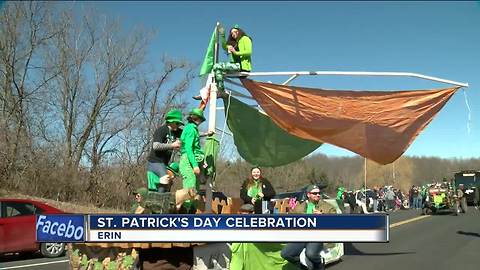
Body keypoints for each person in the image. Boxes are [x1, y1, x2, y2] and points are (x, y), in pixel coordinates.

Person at [281, 185, 336, 270]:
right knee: (286, 254)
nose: (317, 195)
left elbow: (336, 221)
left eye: (319, 193)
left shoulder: (328, 207)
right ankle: (303, 267)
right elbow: (290, 219)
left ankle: (319, 265)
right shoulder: (299, 207)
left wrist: (323, 216)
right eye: (314, 193)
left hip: (318, 236)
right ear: (308, 195)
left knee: (311, 254)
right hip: (302, 236)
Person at [147, 109, 183, 193]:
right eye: (177, 123)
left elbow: (189, 133)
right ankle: (158, 201)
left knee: (169, 182)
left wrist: (205, 134)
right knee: (165, 178)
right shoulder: (162, 130)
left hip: (164, 163)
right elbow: (156, 146)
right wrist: (172, 145)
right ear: (171, 121)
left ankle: (163, 200)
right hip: (155, 162)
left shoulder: (176, 132)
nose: (178, 126)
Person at [179, 108, 207, 192]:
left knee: (195, 189)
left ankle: (192, 204)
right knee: (190, 189)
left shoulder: (193, 129)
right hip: (188, 161)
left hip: (192, 160)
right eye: (201, 120)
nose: (201, 122)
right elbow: (188, 148)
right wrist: (195, 165)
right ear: (196, 119)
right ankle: (186, 205)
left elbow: (195, 148)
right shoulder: (191, 129)